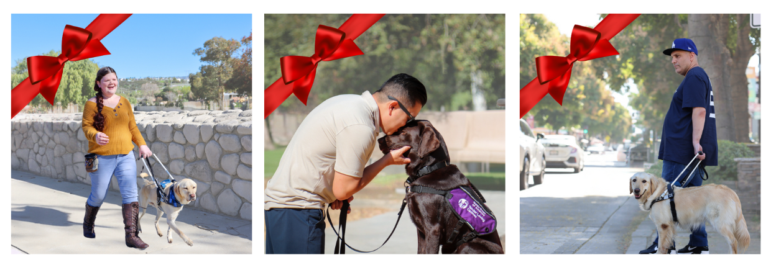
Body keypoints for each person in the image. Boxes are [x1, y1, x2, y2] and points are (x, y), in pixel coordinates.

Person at [264, 73, 427, 254]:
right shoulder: (360, 125)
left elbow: (332, 174)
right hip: (298, 212)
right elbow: (343, 190)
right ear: (393, 106)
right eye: (409, 118)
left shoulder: (349, 103)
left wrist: (333, 193)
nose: (406, 125)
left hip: (282, 210)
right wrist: (386, 161)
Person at [639, 38, 718, 254]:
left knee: (664, 199)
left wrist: (695, 142)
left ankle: (665, 245)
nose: (673, 61)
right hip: (687, 152)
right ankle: (699, 243)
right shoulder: (696, 76)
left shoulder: (694, 76)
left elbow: (699, 111)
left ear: (692, 56)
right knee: (695, 199)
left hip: (681, 152)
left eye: (678, 56)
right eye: (672, 57)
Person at [81, 67, 154, 250]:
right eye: (107, 80)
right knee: (98, 195)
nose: (112, 82)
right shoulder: (91, 104)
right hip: (101, 157)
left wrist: (142, 144)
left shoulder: (125, 102)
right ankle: (88, 223)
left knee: (131, 194)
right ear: (99, 83)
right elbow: (86, 127)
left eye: (114, 79)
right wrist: (95, 135)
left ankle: (132, 236)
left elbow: (133, 127)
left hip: (126, 156)